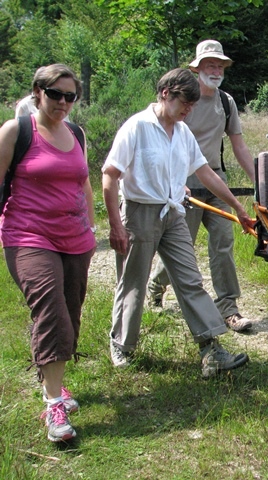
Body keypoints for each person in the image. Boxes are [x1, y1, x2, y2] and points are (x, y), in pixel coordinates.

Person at [102, 68, 253, 376]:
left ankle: (211, 349)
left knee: (190, 280)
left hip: (173, 214)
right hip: (139, 213)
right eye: (185, 102)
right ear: (166, 93)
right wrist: (116, 225)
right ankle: (122, 344)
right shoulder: (137, 127)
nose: (189, 109)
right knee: (133, 283)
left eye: (194, 104)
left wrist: (236, 205)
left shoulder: (182, 132)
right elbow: (109, 176)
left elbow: (206, 172)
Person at [0, 64, 95, 442]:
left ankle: (54, 379)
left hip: (75, 238)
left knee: (69, 315)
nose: (63, 102)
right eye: (55, 93)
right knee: (52, 312)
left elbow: (83, 180)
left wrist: (91, 224)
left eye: (70, 96)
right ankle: (53, 402)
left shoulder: (76, 132)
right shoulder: (16, 130)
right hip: (27, 235)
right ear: (38, 92)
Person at [147, 40, 255, 333]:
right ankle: (155, 287)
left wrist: (260, 179)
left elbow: (239, 146)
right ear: (197, 68)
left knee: (223, 245)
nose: (216, 70)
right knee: (183, 246)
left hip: (215, 180)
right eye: (211, 64)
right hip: (184, 185)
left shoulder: (226, 102)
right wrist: (174, 182)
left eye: (220, 65)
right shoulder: (184, 100)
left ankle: (228, 309)